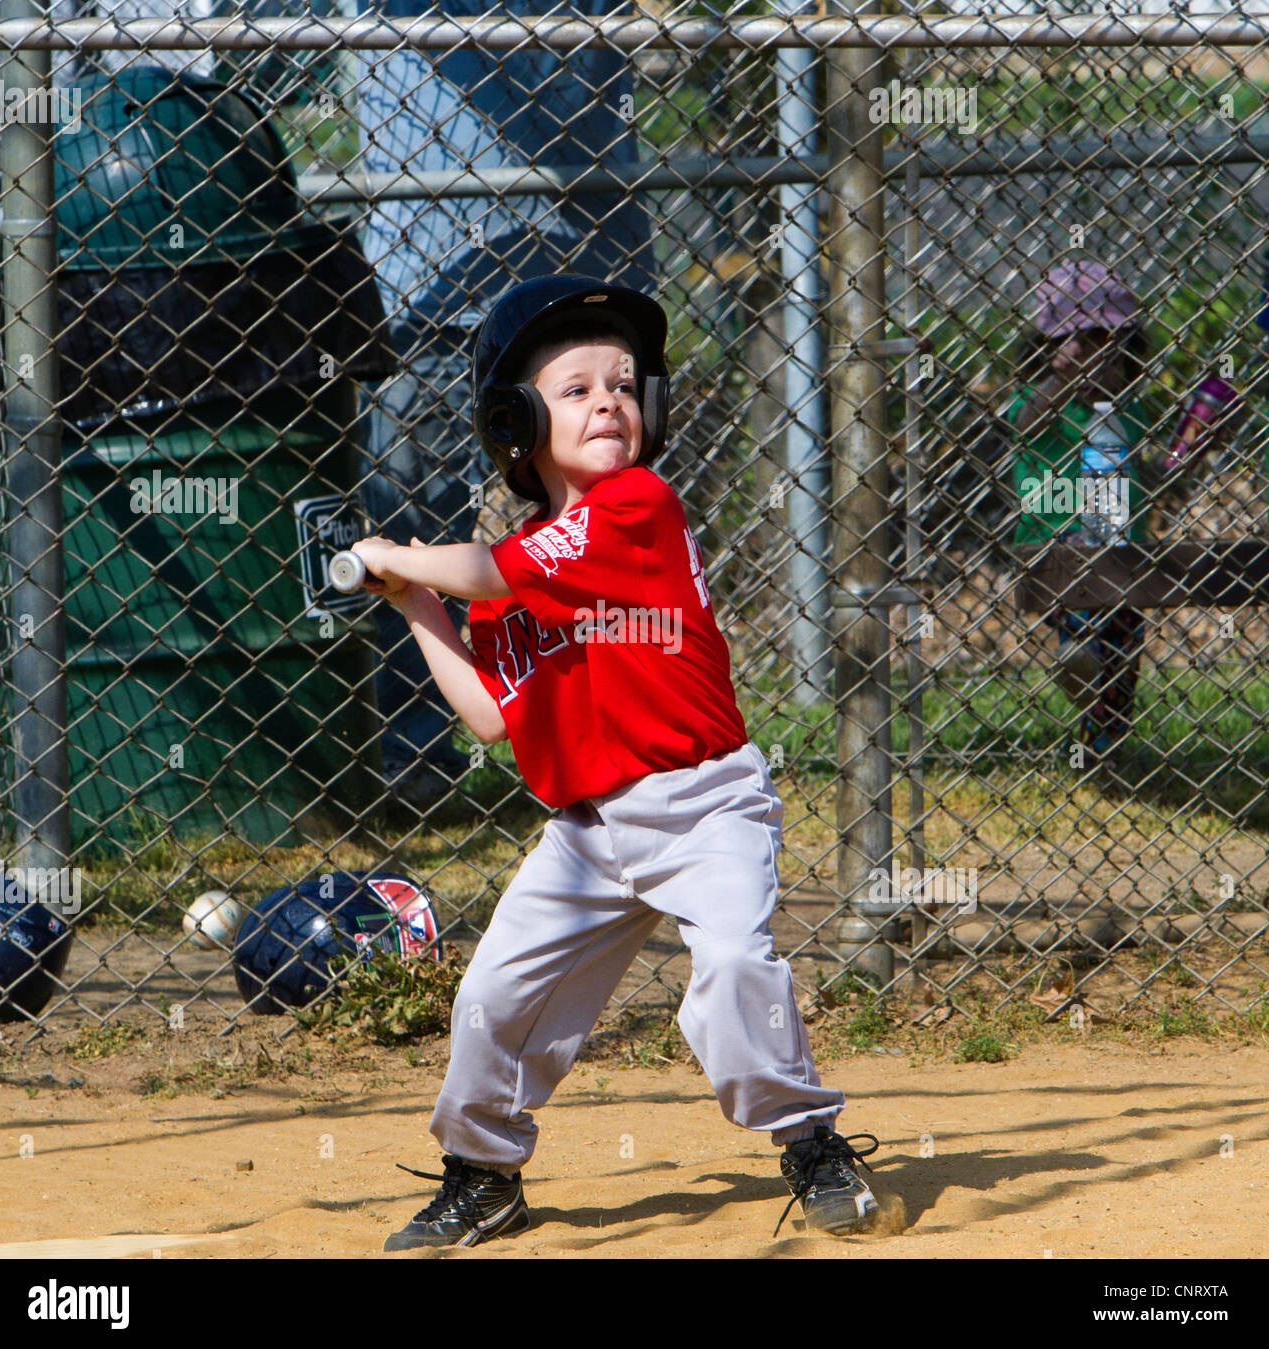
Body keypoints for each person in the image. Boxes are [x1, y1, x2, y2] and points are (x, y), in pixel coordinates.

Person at [350, 275, 881, 1247]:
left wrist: (408, 557)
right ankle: (483, 1172)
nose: (609, 401)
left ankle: (809, 1137)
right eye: (578, 388)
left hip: (705, 805)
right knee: (492, 1000)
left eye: (625, 385)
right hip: (587, 835)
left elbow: (492, 567)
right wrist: (417, 611)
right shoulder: (506, 580)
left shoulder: (635, 504)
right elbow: (489, 719)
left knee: (728, 968)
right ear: (514, 423)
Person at [354, 0, 656, 808]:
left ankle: (617, 737)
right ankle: (417, 760)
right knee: (410, 511)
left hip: (588, 278)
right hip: (431, 275)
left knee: (602, 536)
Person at [1006, 260, 1151, 770]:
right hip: (1055, 544)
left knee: (1124, 643)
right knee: (1085, 609)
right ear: (1050, 354)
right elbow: (1026, 424)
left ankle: (1101, 744)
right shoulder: (1041, 400)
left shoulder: (1129, 408)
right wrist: (1060, 383)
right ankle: (1078, 655)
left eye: (1109, 353)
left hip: (1121, 551)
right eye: (1079, 348)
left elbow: (1149, 473)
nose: (1096, 365)